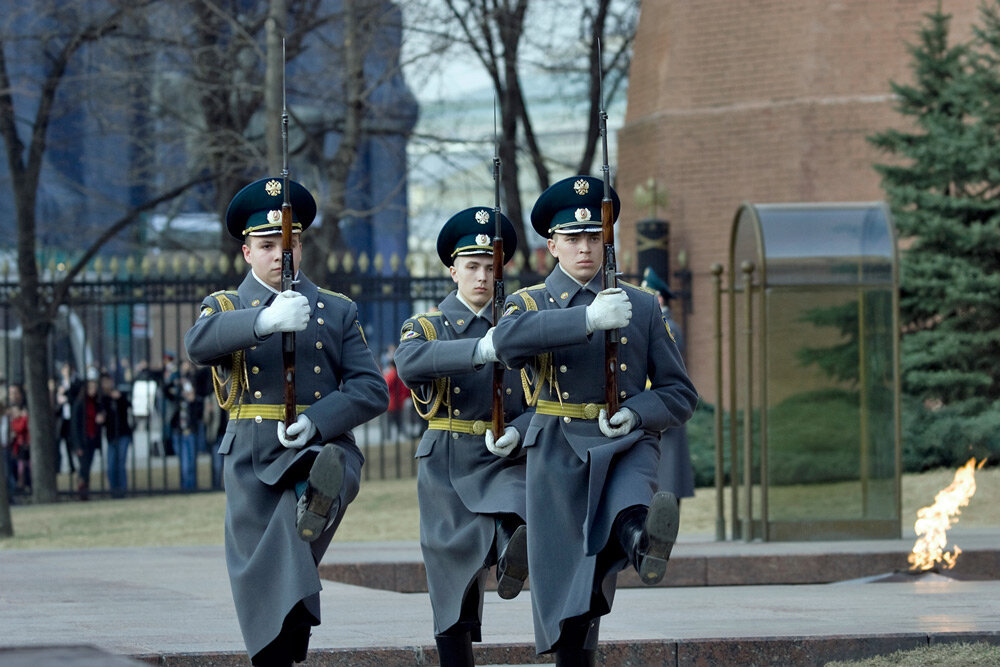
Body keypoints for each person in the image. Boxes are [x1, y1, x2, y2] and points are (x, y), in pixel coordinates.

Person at [493, 175, 699, 665]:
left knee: (626, 510)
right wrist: (585, 320)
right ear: (552, 245)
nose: (586, 247)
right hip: (558, 448)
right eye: (573, 238)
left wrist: (634, 412)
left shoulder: (643, 306)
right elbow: (506, 346)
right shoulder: (529, 303)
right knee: (570, 587)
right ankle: (634, 546)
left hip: (624, 442)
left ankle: (642, 539)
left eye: (594, 236)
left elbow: (679, 393)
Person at [184, 176, 389, 667]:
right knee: (275, 584)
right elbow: (198, 344)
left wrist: (316, 423)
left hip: (318, 447)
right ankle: (284, 642)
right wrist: (264, 322)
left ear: (301, 244)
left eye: (289, 243)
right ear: (246, 252)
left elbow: (372, 389)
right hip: (254, 456)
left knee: (322, 470)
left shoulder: (336, 309)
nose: (280, 254)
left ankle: (311, 494)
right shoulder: (227, 307)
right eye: (267, 245)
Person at [394, 208, 530, 666]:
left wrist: (520, 431)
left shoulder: (518, 323)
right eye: (472, 266)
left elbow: (545, 397)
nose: (482, 276)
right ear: (452, 270)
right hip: (448, 462)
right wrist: (479, 349)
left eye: (491, 267)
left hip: (503, 457)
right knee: (451, 578)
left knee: (520, 509)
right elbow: (409, 363)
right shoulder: (428, 326)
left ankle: (513, 547)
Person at [642, 267, 695, 503]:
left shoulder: (668, 327)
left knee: (668, 474)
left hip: (662, 403)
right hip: (654, 404)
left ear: (659, 297)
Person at [71, 369, 104, 501]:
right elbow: (75, 426)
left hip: (92, 438)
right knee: (84, 467)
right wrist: (77, 444)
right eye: (91, 387)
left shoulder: (96, 403)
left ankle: (85, 490)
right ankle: (82, 490)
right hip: (82, 440)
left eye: (95, 387)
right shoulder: (79, 404)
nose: (93, 390)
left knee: (88, 466)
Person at [99, 373, 133, 498]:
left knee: (120, 463)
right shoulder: (103, 399)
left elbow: (129, 407)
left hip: (123, 433)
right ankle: (114, 491)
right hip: (111, 435)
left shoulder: (119, 395)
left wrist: (119, 398)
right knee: (111, 465)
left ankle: (122, 491)